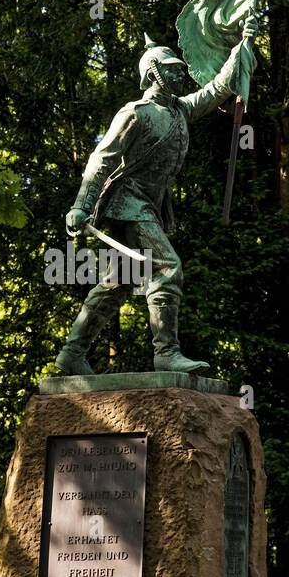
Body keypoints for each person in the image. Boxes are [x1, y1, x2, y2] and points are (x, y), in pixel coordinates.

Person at [55, 21, 256, 375]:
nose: (180, 77)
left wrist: (243, 45)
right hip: (128, 204)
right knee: (167, 266)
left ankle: (72, 353)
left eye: (180, 71)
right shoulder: (136, 113)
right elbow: (102, 158)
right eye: (172, 71)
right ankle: (166, 352)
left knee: (118, 283)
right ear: (153, 74)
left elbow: (217, 89)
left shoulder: (179, 110)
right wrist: (80, 206)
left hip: (150, 206)